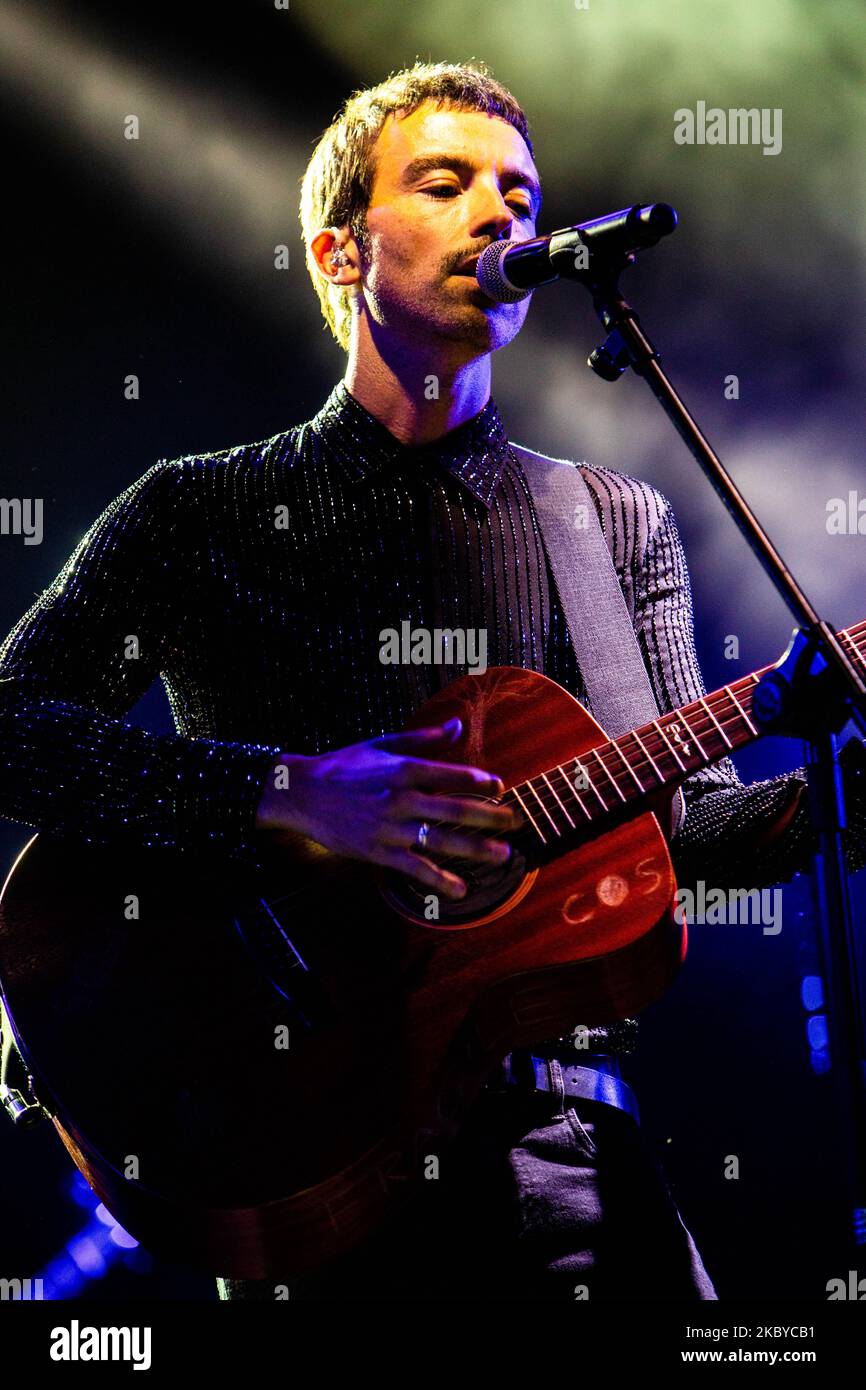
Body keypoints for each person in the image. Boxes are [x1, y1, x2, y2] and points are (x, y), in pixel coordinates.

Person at [1, 61, 864, 1302]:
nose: (501, 215)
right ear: (341, 253)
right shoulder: (199, 512)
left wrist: (825, 797)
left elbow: (683, 831)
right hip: (307, 1152)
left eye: (518, 191)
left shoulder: (609, 522)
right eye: (446, 181)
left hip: (568, 1161)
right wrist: (290, 794)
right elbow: (11, 728)